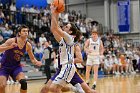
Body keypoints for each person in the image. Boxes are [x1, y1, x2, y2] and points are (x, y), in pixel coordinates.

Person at [40, 4, 96, 92]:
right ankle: (73, 88)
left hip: (68, 67)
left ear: (70, 31)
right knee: (48, 89)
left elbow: (55, 27)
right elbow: (53, 28)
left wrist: (54, 12)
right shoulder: (63, 39)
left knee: (53, 88)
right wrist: (56, 13)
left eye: (66, 27)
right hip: (62, 68)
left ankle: (74, 88)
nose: (64, 26)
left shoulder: (70, 38)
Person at [0, 25, 42, 93]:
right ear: (19, 33)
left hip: (16, 67)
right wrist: (9, 47)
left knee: (24, 83)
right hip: (5, 66)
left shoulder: (28, 45)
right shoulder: (11, 40)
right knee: (2, 85)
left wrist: (36, 62)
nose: (26, 32)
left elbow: (32, 59)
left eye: (27, 31)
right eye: (24, 31)